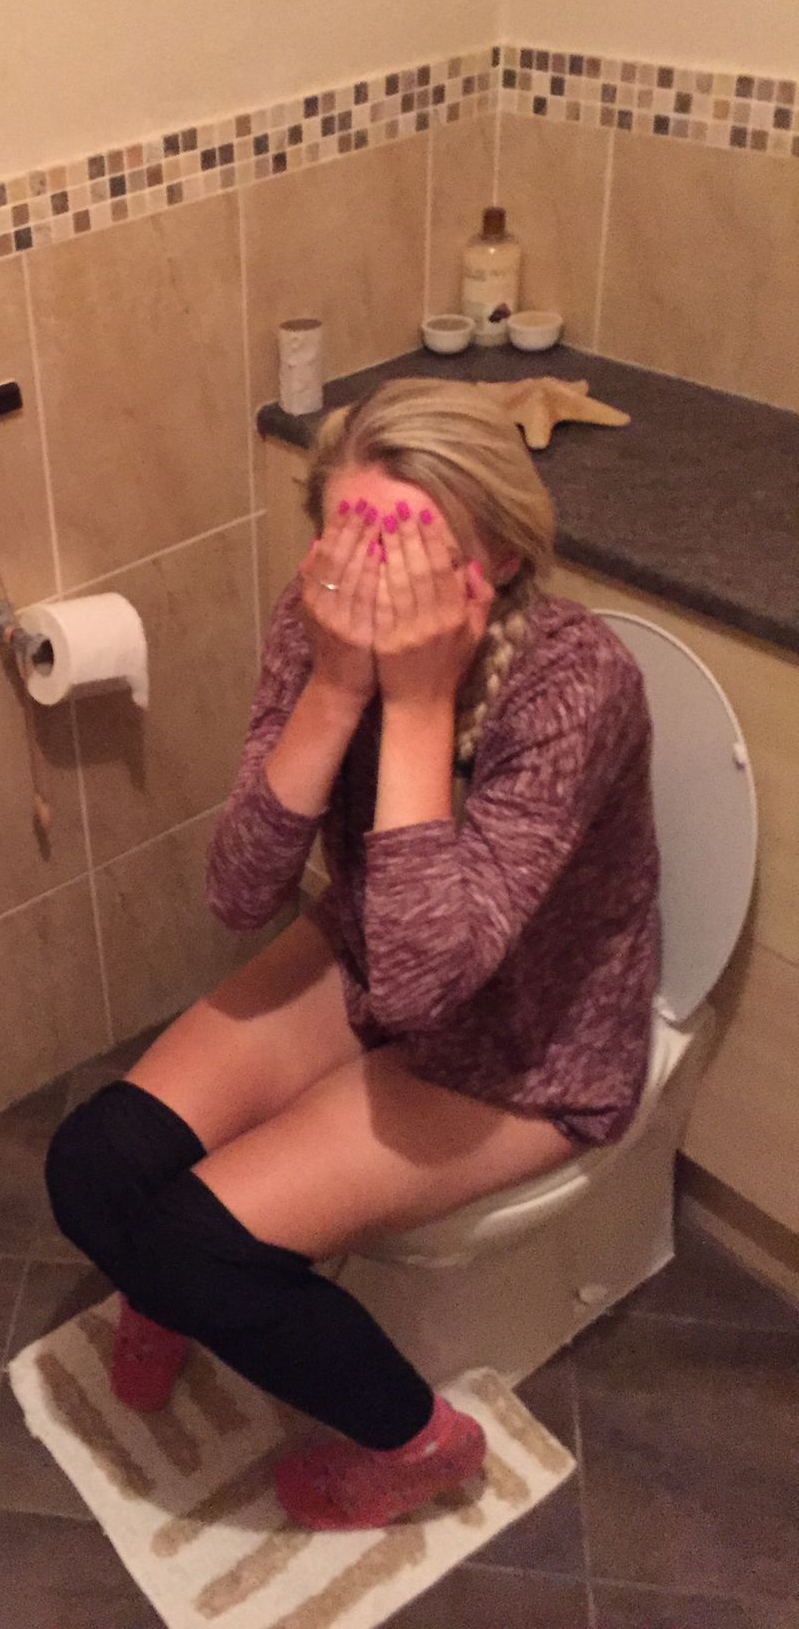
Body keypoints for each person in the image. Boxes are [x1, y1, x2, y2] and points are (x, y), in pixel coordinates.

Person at [44, 377, 660, 1531]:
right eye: (345, 549)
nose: (367, 589)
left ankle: (422, 1445)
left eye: (407, 560)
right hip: (374, 944)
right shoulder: (317, 620)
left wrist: (417, 704)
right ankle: (171, 1287)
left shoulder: (577, 687)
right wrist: (336, 686)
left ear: (497, 563)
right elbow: (240, 894)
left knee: (195, 1247)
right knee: (94, 1169)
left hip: (532, 1038)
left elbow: (433, 988)